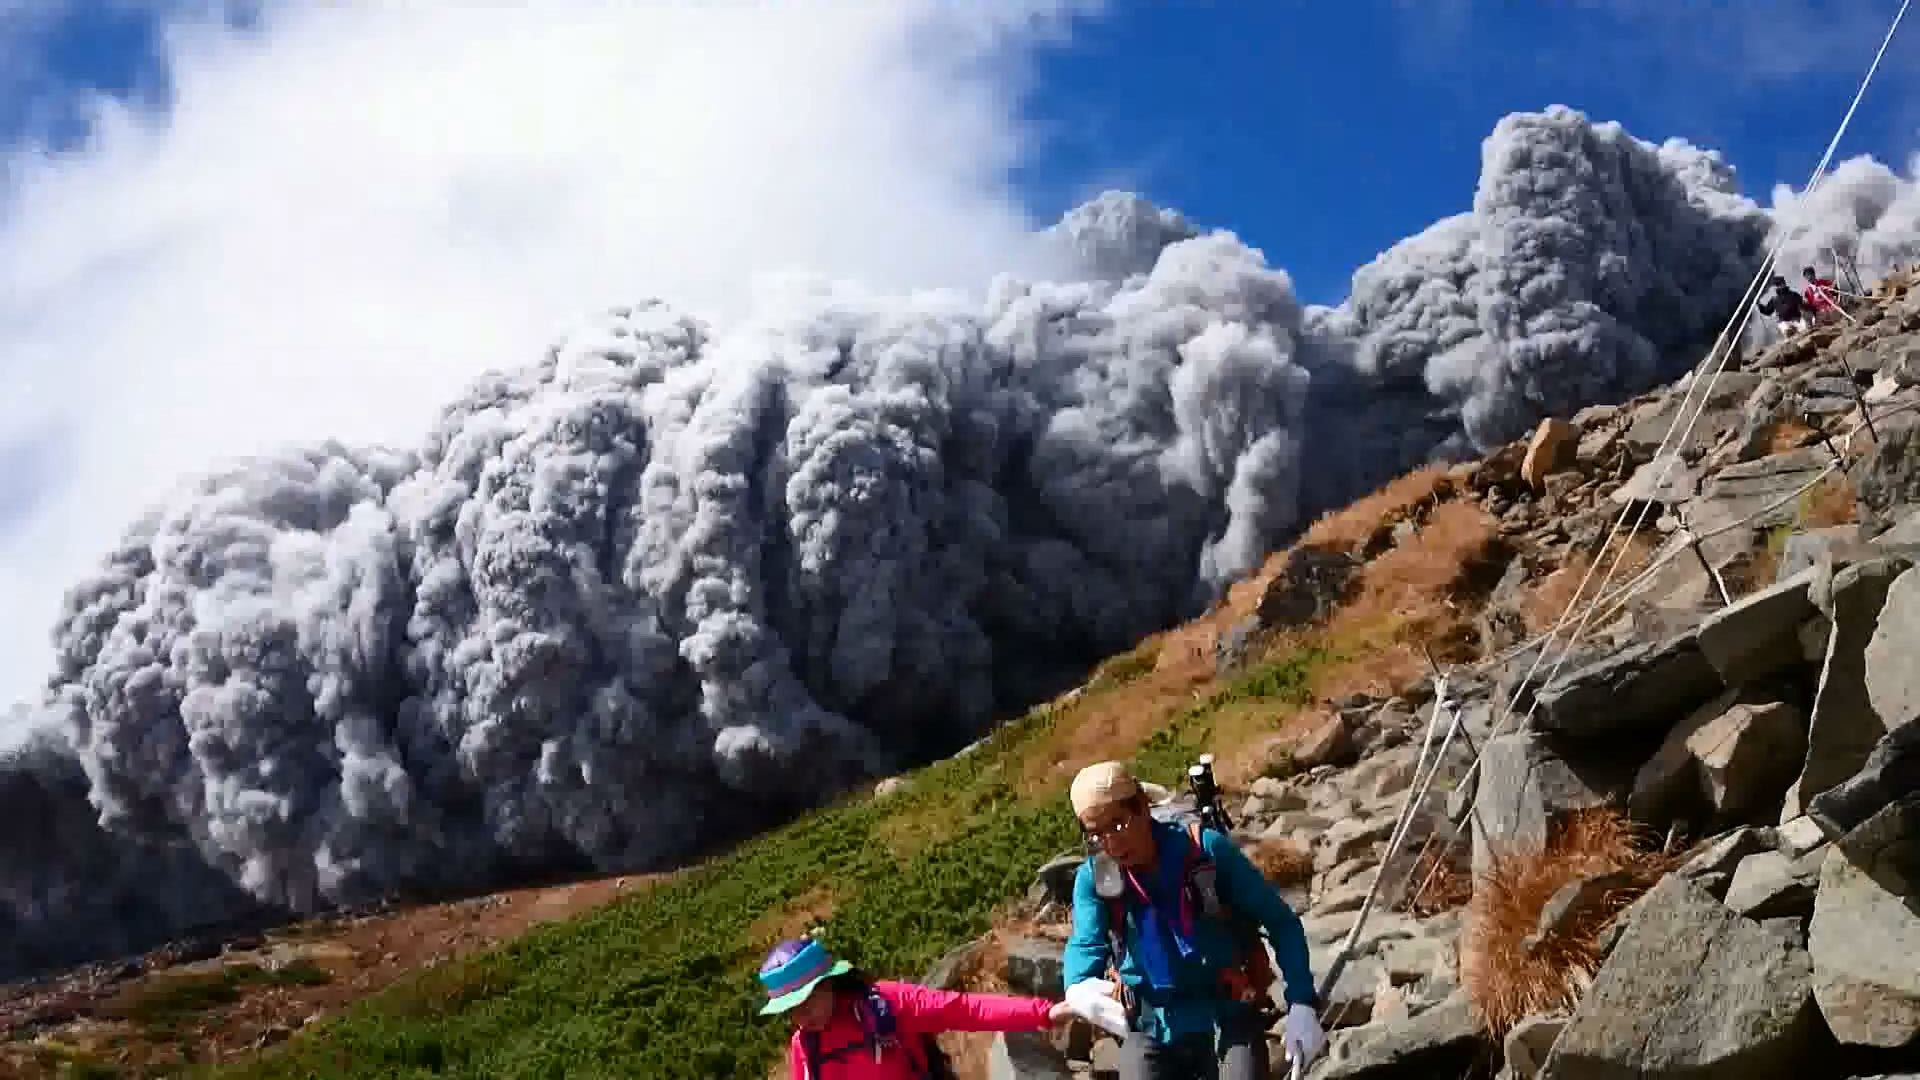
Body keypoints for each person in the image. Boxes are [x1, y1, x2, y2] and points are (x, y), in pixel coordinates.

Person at [1061, 760, 1326, 1079]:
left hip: (1227, 1012)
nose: (1111, 843)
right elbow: (1085, 944)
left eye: (1118, 824)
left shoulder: (1205, 851)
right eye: (1096, 835)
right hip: (1151, 1023)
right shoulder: (1096, 878)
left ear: (1143, 808)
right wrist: (1076, 986)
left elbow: (1280, 922)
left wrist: (1302, 1003)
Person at [757, 935, 1075, 1079]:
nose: (801, 1016)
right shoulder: (804, 1046)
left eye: (806, 1002)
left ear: (829, 983)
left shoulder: (883, 1003)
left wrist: (1044, 1013)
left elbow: (964, 1010)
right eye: (791, 1010)